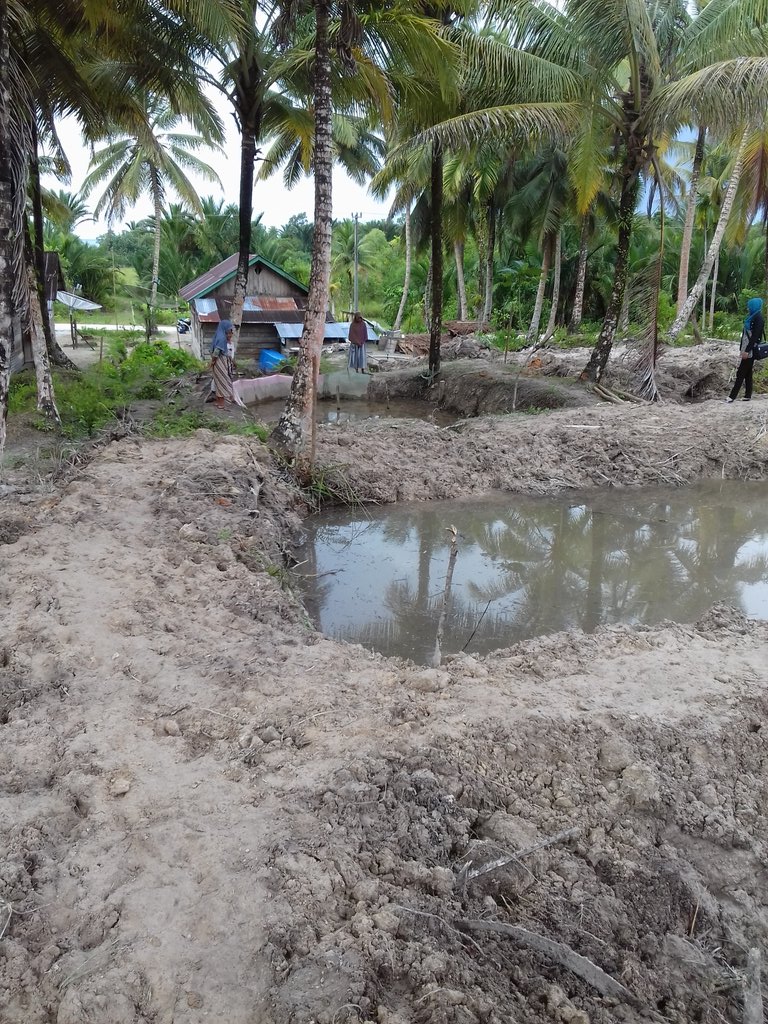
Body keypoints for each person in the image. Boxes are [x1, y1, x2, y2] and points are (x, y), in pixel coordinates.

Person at [726, 297, 764, 403]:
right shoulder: (752, 317)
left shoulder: (759, 319)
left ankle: (732, 396)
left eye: (749, 306)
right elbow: (745, 335)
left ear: (754, 306)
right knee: (748, 373)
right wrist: (742, 349)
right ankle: (748, 395)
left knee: (741, 372)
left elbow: (755, 337)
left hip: (750, 350)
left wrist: (747, 351)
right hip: (746, 348)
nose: (748, 308)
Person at [210, 320, 236, 409]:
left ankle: (218, 402)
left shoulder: (218, 336)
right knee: (223, 381)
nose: (230, 331)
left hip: (219, 362)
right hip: (220, 362)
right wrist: (212, 362)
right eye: (229, 329)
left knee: (218, 381)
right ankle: (221, 404)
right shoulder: (222, 339)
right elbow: (216, 352)